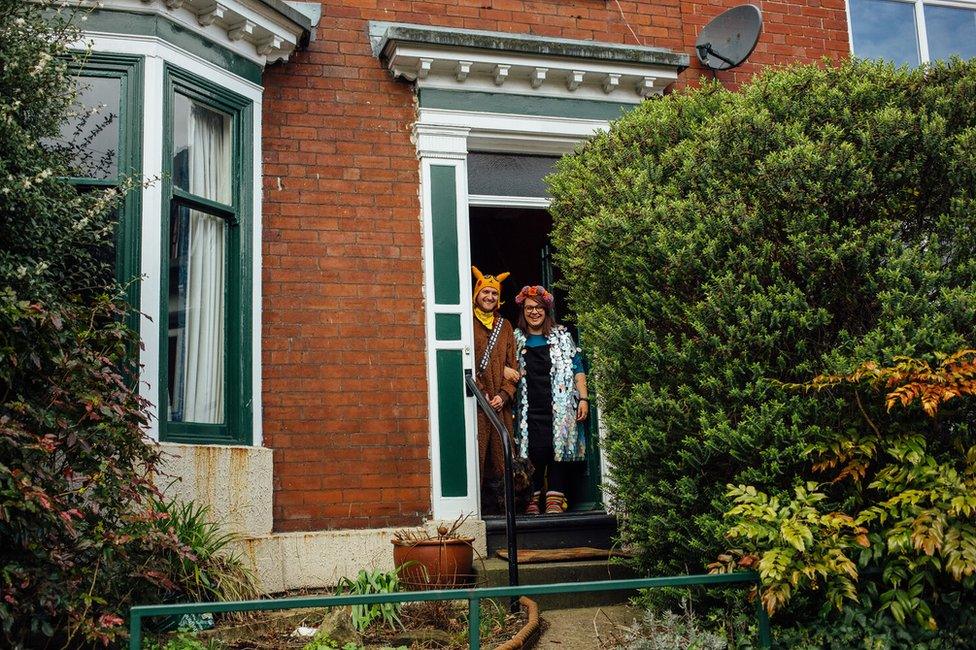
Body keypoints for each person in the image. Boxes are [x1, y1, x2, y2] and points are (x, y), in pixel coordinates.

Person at [513, 285, 589, 514]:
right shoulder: (516, 338)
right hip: (528, 407)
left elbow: (577, 367)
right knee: (533, 450)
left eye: (538, 307)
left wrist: (583, 398)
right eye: (529, 308)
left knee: (559, 450)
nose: (534, 312)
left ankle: (555, 499)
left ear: (546, 310)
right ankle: (532, 499)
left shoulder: (562, 336)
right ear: (523, 311)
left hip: (560, 405)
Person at [471, 266, 518, 510]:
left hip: (500, 406)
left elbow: (513, 367)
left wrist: (503, 395)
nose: (489, 297)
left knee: (502, 458)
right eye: (485, 292)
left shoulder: (506, 326)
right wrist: (482, 393)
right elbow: (466, 361)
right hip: (477, 404)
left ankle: (502, 509)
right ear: (476, 295)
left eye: (493, 293)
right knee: (477, 456)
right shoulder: (467, 321)